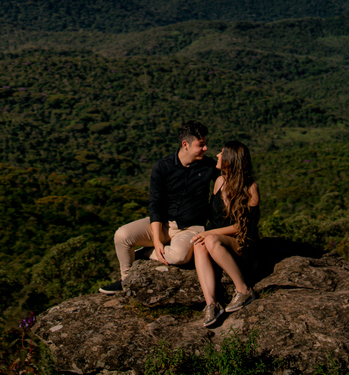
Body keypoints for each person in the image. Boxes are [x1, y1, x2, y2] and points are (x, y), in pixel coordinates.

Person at [100, 120, 218, 294]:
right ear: (185, 144)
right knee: (122, 235)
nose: (206, 148)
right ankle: (126, 280)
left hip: (191, 228)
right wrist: (156, 241)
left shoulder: (208, 166)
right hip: (163, 224)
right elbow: (155, 204)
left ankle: (144, 255)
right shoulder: (163, 167)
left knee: (180, 256)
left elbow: (227, 184)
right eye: (201, 145)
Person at [191, 140, 260, 327]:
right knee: (199, 244)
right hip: (217, 238)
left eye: (222, 153)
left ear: (231, 159)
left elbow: (243, 226)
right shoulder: (220, 182)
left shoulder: (250, 188)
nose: (218, 155)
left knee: (210, 240)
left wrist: (210, 234)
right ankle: (211, 304)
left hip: (242, 243)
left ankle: (244, 289)